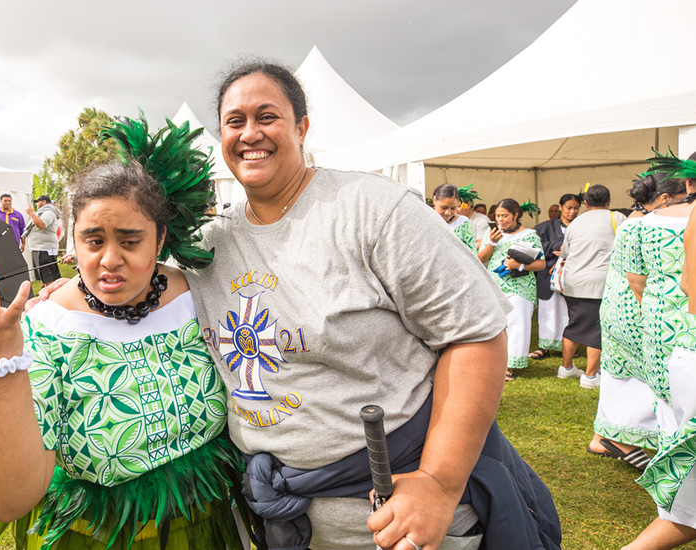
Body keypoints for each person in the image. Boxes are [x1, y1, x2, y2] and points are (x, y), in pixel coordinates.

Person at [180, 61, 559, 550]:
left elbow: (476, 334)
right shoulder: (207, 246)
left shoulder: (374, 211)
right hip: (281, 518)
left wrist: (439, 485)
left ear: (302, 127)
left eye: (266, 116)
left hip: (401, 521)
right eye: (235, 121)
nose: (250, 132)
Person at [0, 121, 251, 549]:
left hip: (209, 515)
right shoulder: (48, 327)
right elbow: (7, 502)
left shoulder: (199, 293)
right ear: (74, 243)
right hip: (102, 534)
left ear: (159, 242)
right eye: (93, 240)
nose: (109, 260)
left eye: (130, 241)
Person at [621, 150, 696, 549]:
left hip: (666, 328)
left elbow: (638, 279)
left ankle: (672, 494)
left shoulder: (641, 225)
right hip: (687, 328)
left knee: (672, 413)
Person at [587, 173, 686, 470]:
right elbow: (638, 279)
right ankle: (618, 439)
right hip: (633, 307)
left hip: (619, 305)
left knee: (621, 374)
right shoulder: (644, 223)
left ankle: (605, 436)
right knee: (641, 376)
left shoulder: (633, 220)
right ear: (667, 198)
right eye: (686, 196)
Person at [556, 185, 626, 388]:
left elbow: (565, 253)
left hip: (573, 281)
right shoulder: (617, 218)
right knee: (597, 328)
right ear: (609, 201)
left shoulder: (575, 223)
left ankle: (566, 368)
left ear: (586, 203)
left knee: (574, 324)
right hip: (600, 281)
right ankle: (591, 375)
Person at [478, 199, 546, 380]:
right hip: (494, 284)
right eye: (498, 216)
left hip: (521, 286)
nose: (500, 220)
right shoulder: (492, 233)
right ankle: (495, 360)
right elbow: (480, 258)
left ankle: (510, 365)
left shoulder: (529, 235)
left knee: (517, 324)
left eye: (505, 216)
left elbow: (541, 264)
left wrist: (519, 265)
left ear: (516, 215)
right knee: (496, 325)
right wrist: (491, 243)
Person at [530, 194, 582, 360]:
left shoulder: (582, 226)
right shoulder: (544, 227)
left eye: (576, 208)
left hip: (573, 275)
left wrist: (569, 252)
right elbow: (536, 246)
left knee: (569, 312)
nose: (572, 211)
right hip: (548, 275)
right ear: (561, 207)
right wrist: (557, 246)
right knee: (548, 311)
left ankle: (568, 345)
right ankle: (545, 346)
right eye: (569, 208)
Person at [23, 195, 61, 285]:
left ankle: (52, 296)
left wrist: (31, 213)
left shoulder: (49, 212)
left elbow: (42, 225)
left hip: (45, 250)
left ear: (44, 202)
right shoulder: (42, 213)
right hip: (39, 249)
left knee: (49, 278)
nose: (36, 204)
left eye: (38, 202)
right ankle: (44, 294)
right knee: (44, 277)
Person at [432, 183, 476, 252]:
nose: (448, 213)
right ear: (434, 200)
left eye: (453, 208)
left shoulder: (463, 223)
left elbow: (472, 253)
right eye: (444, 208)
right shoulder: (426, 220)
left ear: (458, 204)